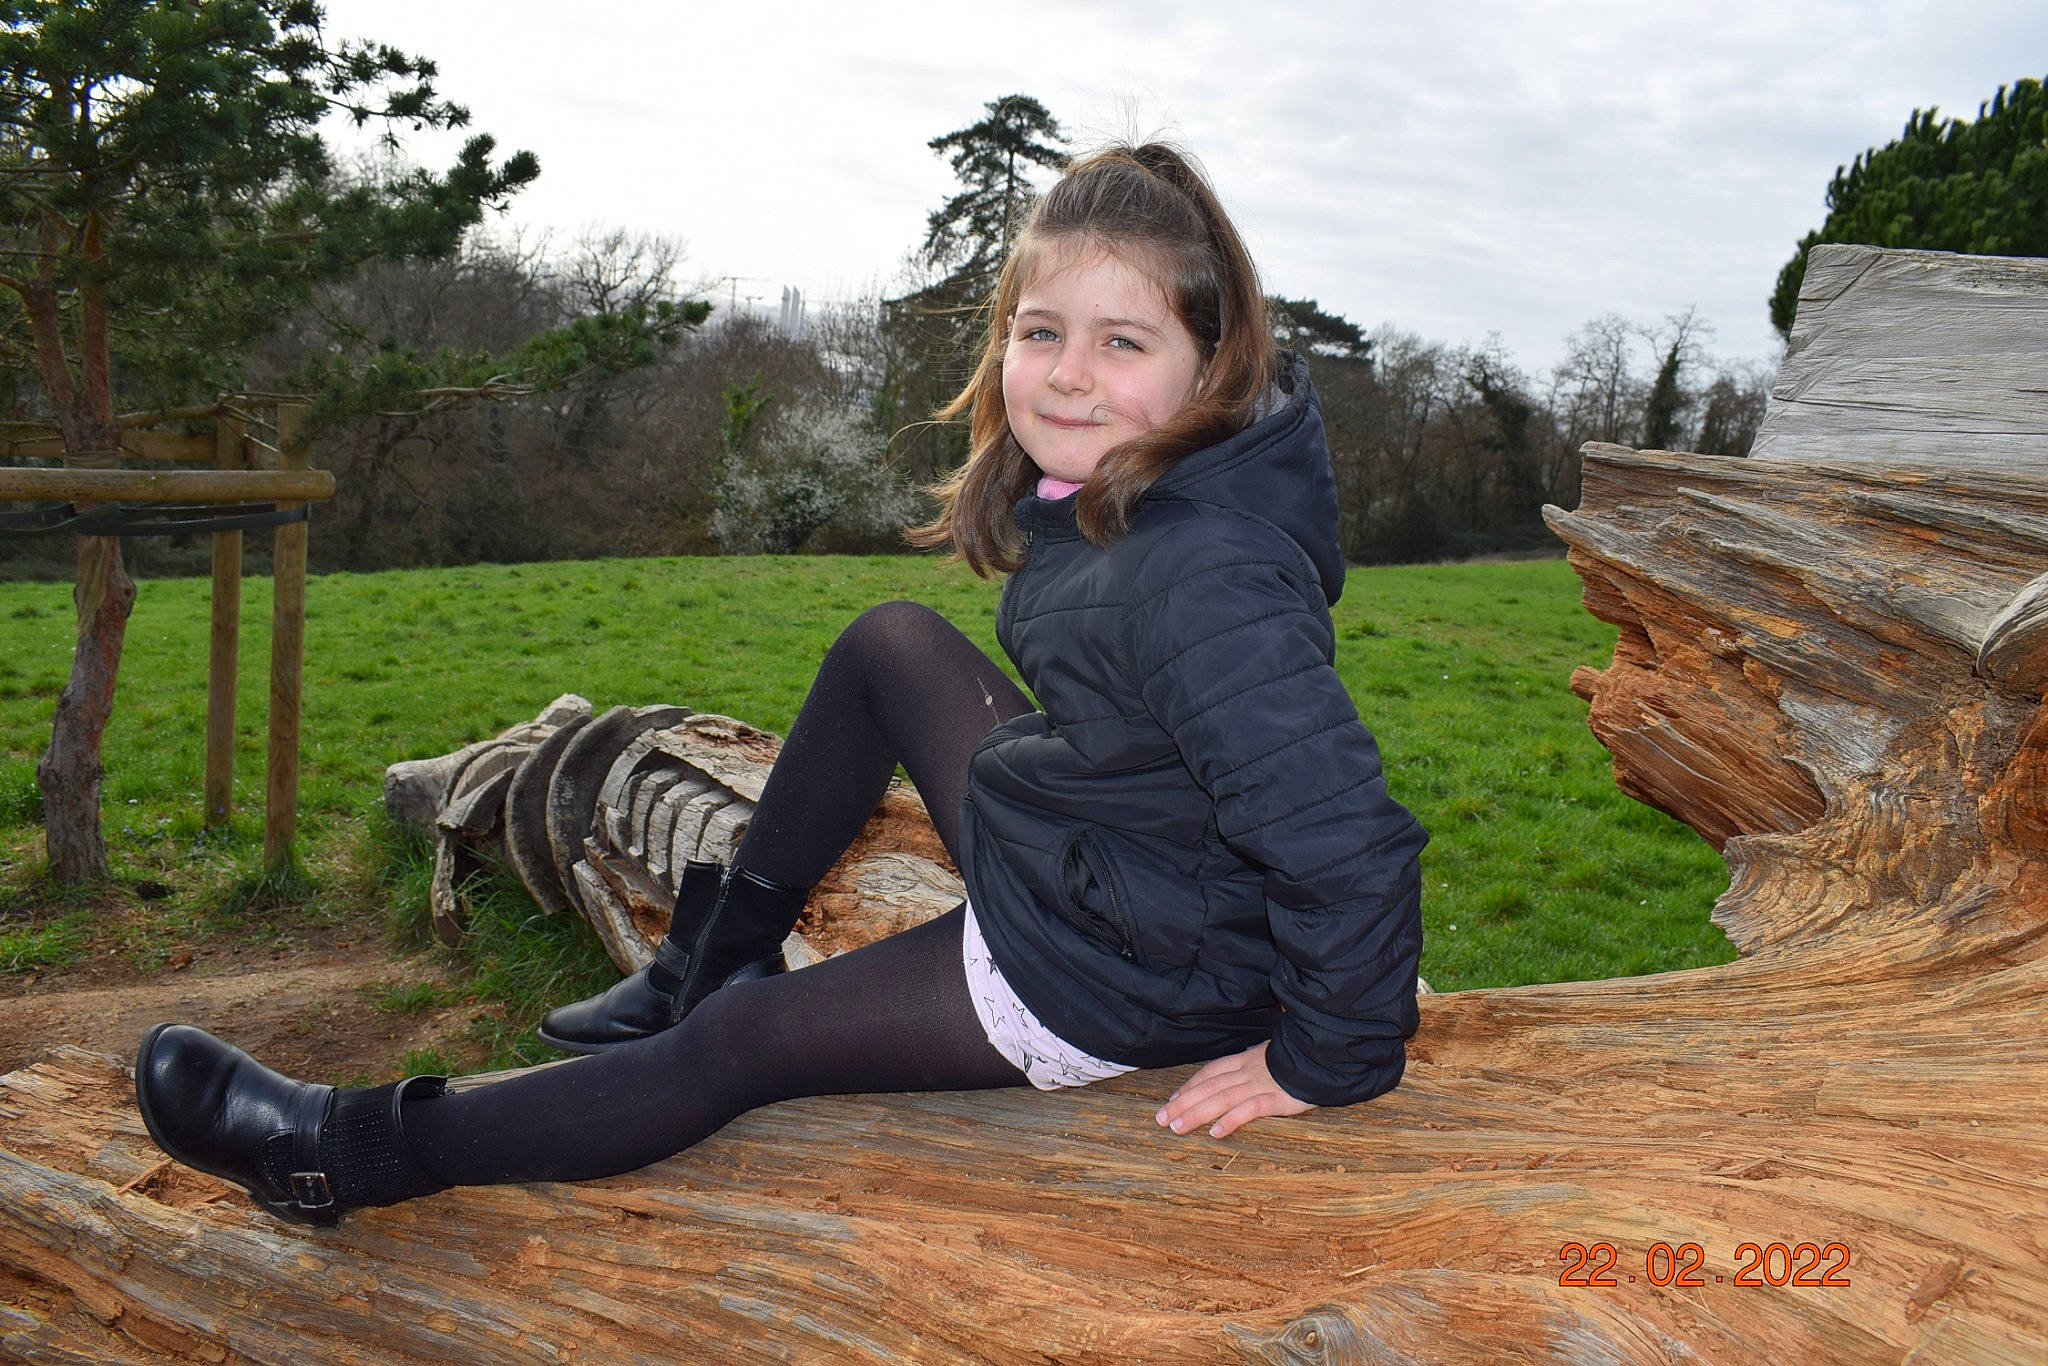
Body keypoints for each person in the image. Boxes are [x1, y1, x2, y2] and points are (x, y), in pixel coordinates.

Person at [133, 141, 1430, 1228]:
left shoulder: (1205, 576)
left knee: (734, 1053)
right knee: (890, 641)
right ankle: (712, 953)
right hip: (1118, 869)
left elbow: (1347, 841)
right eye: (1042, 332)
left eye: (1122, 340)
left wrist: (1326, 1057)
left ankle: (342, 1149)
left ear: (1211, 364)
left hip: (1121, 972)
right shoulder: (1131, 495)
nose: (1070, 372)